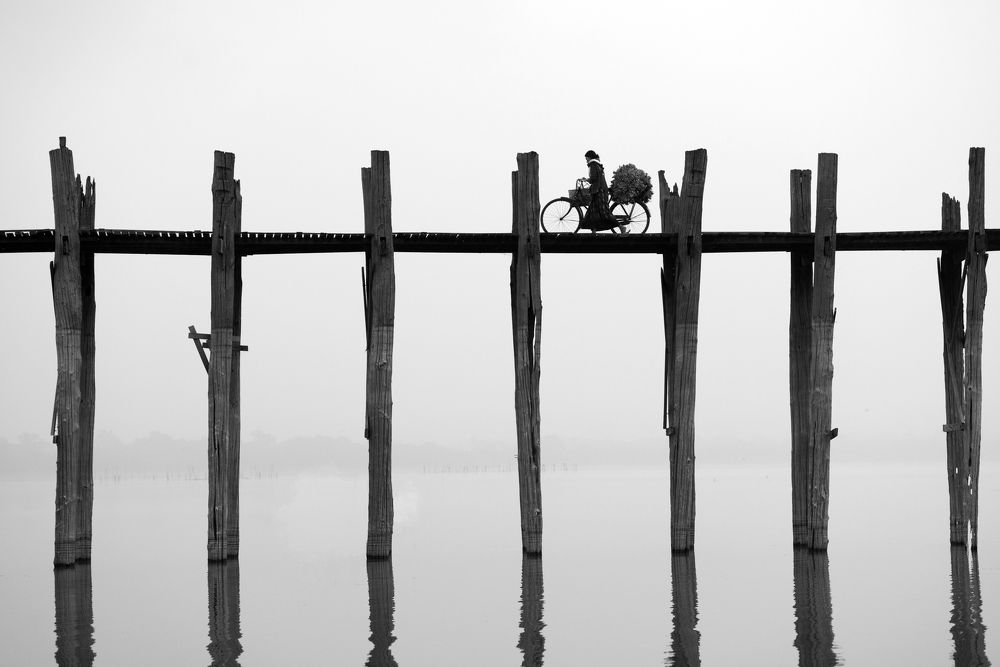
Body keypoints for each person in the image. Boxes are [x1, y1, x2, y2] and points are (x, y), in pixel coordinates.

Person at [581, 150, 627, 234]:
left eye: (586, 158)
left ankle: (621, 227)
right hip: (598, 191)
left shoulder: (593, 164)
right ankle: (594, 231)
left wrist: (586, 179)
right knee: (592, 211)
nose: (586, 160)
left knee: (604, 212)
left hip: (599, 191)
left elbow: (593, 178)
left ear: (590, 157)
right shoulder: (597, 164)